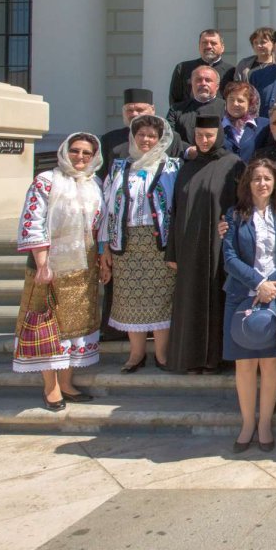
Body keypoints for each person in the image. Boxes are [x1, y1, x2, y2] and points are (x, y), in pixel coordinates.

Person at [13, 132, 104, 410]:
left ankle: (66, 383)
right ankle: (50, 387)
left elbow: (100, 225)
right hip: (50, 265)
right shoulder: (46, 181)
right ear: (64, 151)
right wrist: (42, 263)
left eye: (86, 153)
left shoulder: (95, 183)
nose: (80, 157)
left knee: (74, 325)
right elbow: (33, 222)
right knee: (47, 324)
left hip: (83, 268)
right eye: (75, 150)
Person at [221, 159, 276, 452]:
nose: (262, 184)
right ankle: (247, 424)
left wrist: (272, 285)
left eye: (267, 178)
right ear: (248, 183)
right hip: (241, 295)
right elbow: (229, 258)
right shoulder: (233, 215)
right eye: (256, 178)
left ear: (275, 182)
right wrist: (259, 283)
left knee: (270, 363)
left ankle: (265, 423)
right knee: (244, 365)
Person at [98, 115, 181, 372]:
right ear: (133, 137)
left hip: (160, 245)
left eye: (152, 136)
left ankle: (162, 354)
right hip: (127, 244)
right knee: (129, 301)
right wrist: (105, 247)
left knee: (161, 300)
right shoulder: (119, 167)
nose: (146, 139)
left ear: (160, 139)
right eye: (141, 134)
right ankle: (136, 354)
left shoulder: (173, 167)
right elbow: (106, 208)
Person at [165, 116, 245, 374]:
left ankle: (215, 360)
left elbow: (242, 205)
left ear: (219, 135)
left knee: (216, 299)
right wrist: (173, 252)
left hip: (218, 248)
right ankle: (191, 359)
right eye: (199, 135)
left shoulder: (233, 164)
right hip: (189, 248)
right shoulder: (187, 167)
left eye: (209, 135)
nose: (204, 140)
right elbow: (175, 210)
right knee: (191, 302)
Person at [99, 88, 184, 179]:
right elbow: (102, 175)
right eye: (129, 110)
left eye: (140, 110)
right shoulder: (109, 139)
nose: (134, 114)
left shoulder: (170, 138)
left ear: (152, 110)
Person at [168, 29, 233, 110]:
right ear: (199, 46)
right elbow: (175, 100)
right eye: (204, 43)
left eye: (213, 43)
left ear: (222, 48)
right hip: (188, 115)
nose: (208, 46)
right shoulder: (183, 68)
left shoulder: (231, 71)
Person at [167, 65, 226, 144]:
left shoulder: (226, 108)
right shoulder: (176, 109)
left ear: (217, 86)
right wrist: (188, 149)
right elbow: (169, 136)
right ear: (192, 84)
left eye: (208, 80)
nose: (203, 83)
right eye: (198, 80)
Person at [220, 81, 266, 162]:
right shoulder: (217, 126)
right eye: (231, 99)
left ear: (250, 104)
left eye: (240, 100)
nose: (235, 104)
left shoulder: (264, 126)